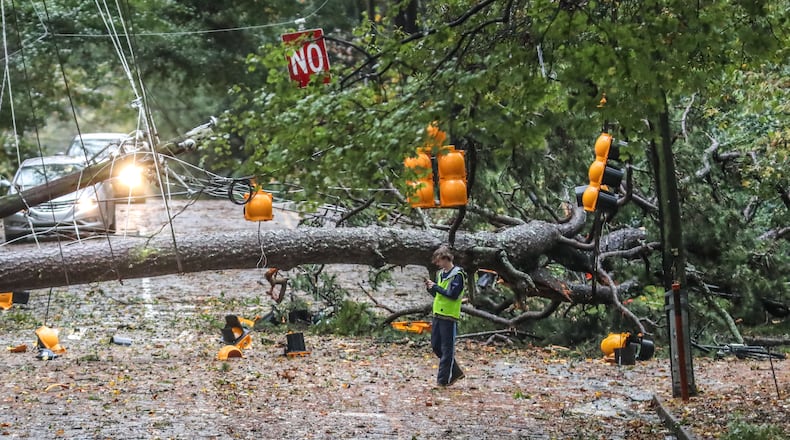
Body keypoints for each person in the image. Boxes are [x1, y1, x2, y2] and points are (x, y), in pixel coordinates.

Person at [424, 245, 466, 386]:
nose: (437, 264)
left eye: (438, 261)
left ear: (445, 258)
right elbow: (439, 294)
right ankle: (455, 371)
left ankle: (442, 381)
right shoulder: (441, 274)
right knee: (436, 346)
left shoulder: (458, 275)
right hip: (438, 314)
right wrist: (431, 289)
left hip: (449, 316)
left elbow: (452, 295)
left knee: (447, 349)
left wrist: (436, 287)